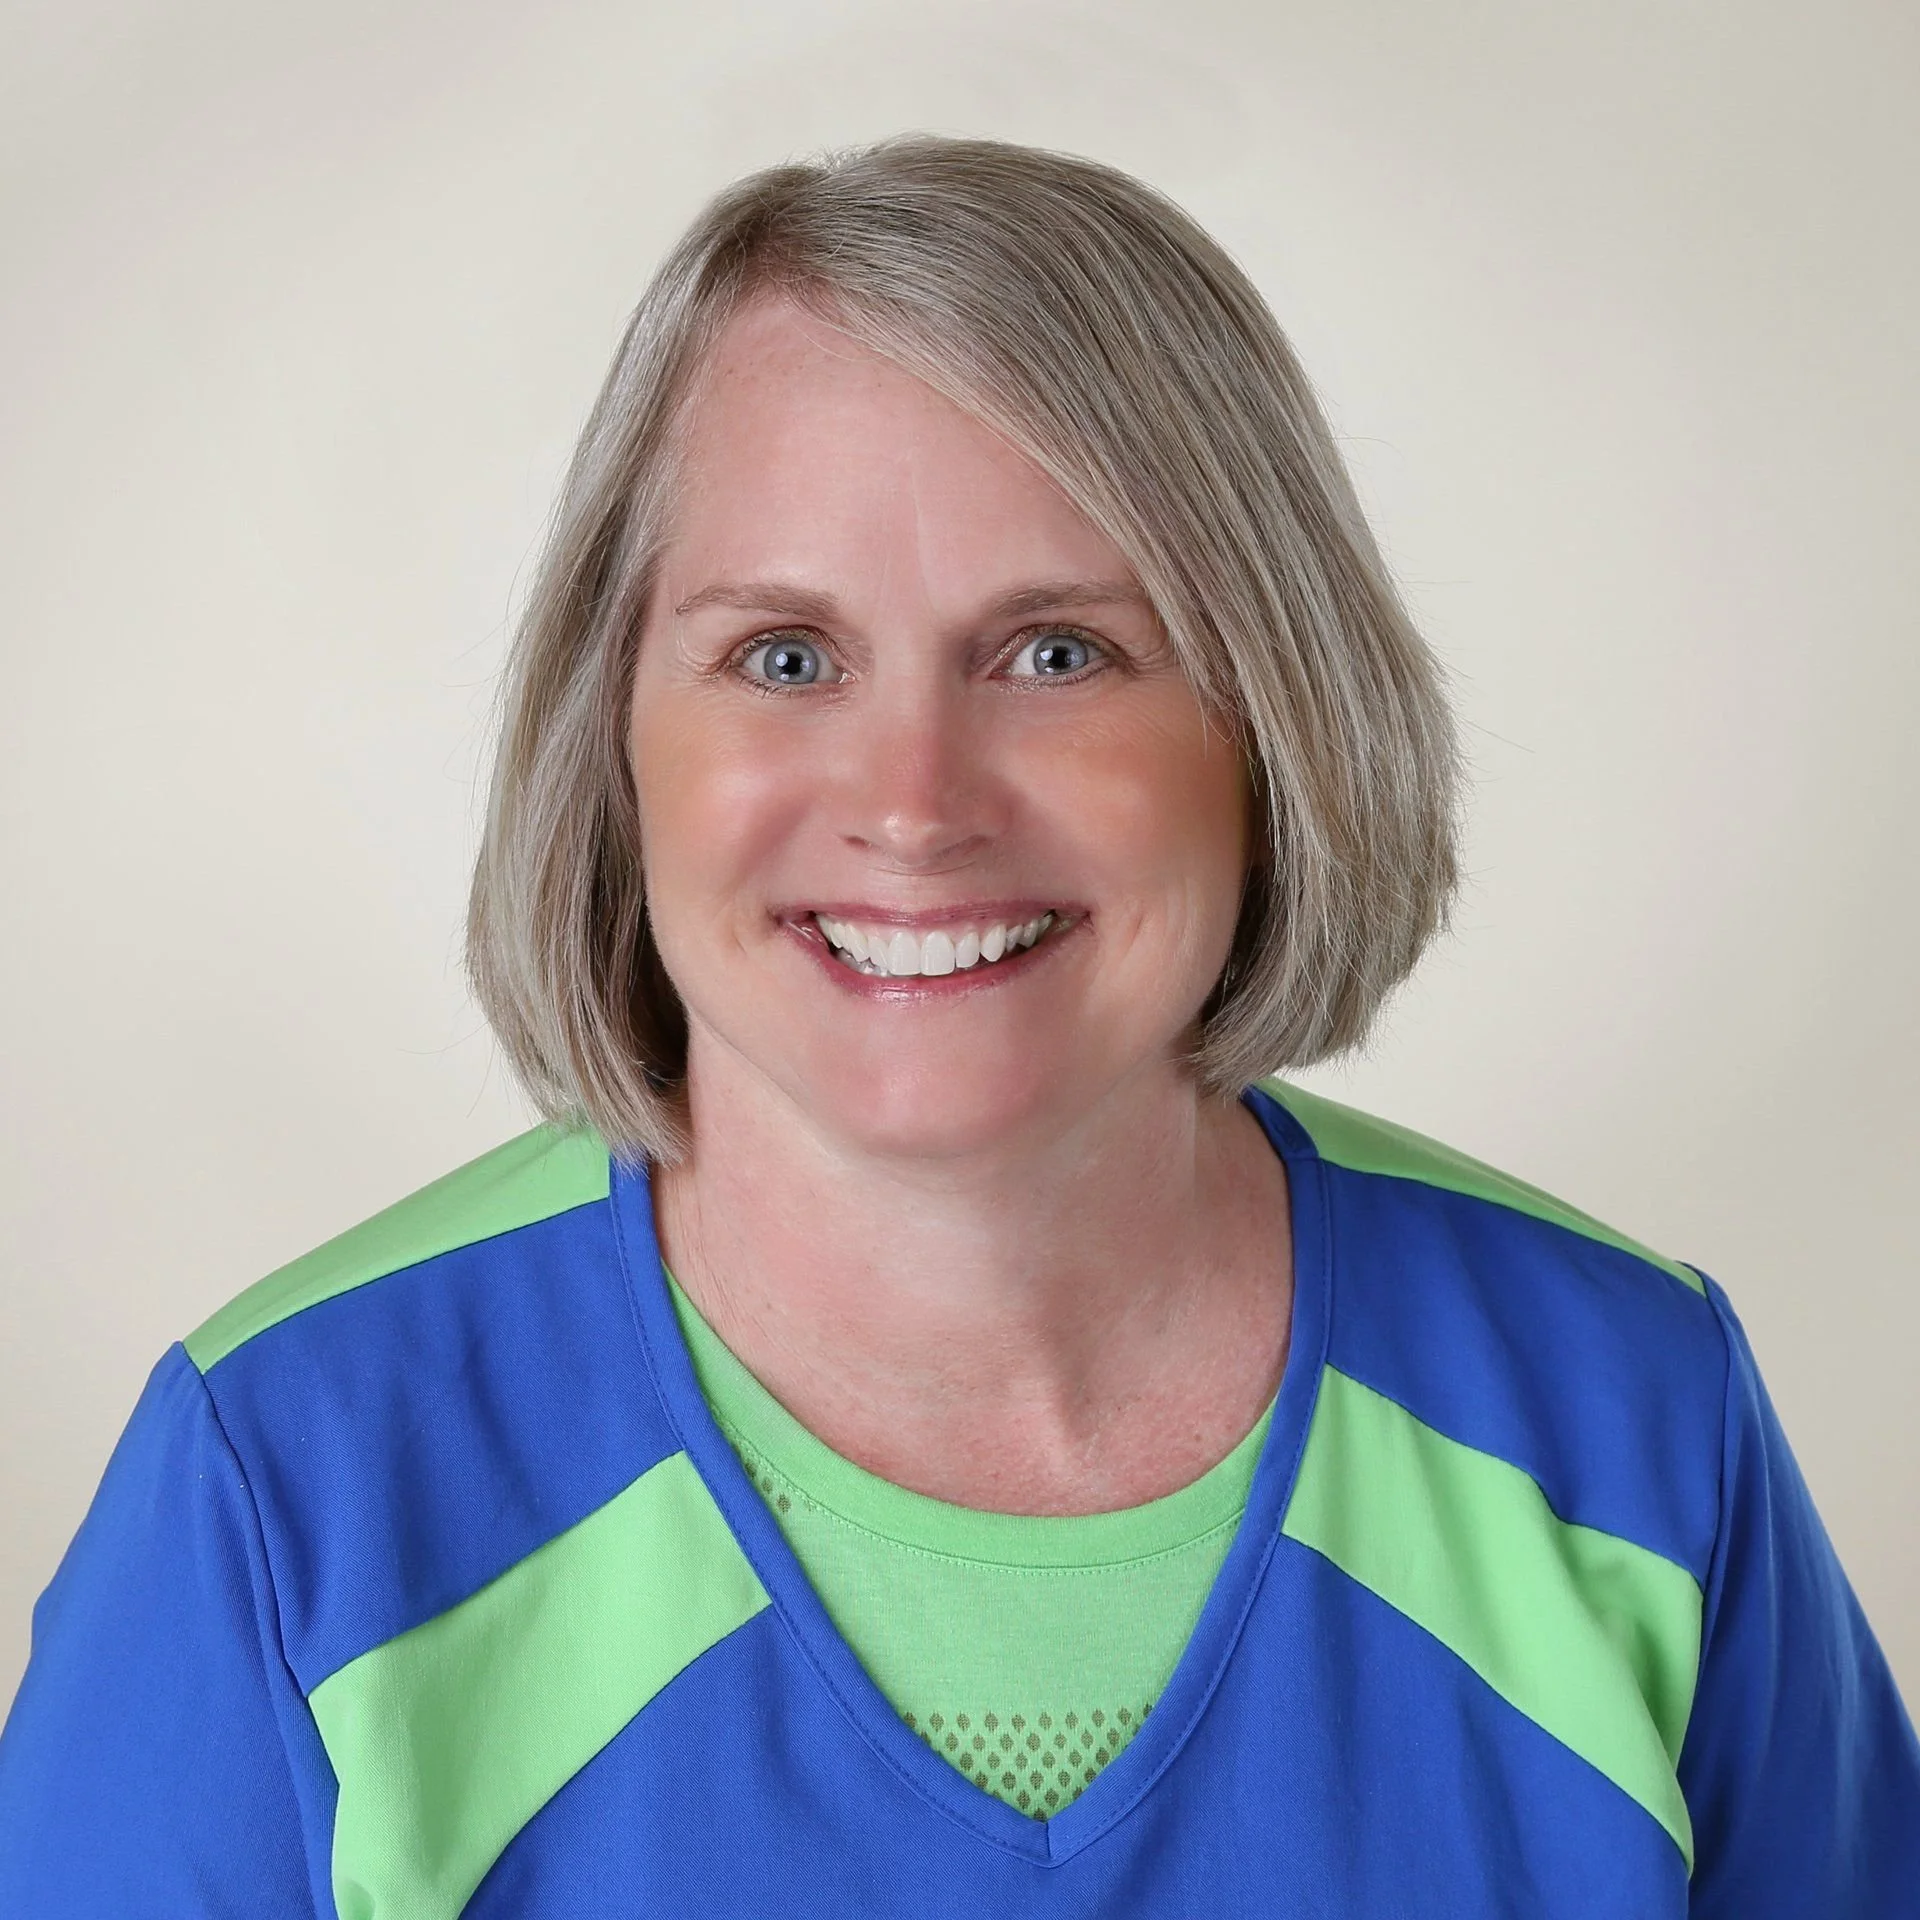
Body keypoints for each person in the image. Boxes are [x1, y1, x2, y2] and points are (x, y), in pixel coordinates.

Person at [1, 135, 1914, 1918]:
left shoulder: (1634, 1427)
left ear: (1274, 722)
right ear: (616, 744)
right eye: (785, 656)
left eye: (1059, 652)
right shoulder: (283, 1488)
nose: (915, 801)